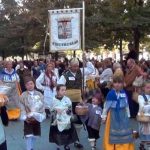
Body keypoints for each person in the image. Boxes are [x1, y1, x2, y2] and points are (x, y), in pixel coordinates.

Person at [57, 55, 95, 148]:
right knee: (67, 121)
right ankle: (67, 142)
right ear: (70, 66)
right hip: (68, 102)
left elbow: (91, 69)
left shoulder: (81, 71)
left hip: (78, 100)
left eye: (77, 66)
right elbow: (59, 86)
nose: (76, 68)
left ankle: (76, 140)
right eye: (74, 66)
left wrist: (86, 60)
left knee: (78, 122)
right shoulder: (65, 75)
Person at [102, 70, 135, 150]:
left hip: (123, 115)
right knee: (112, 133)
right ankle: (112, 147)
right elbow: (106, 106)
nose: (117, 84)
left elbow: (126, 105)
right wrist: (104, 116)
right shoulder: (111, 94)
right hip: (112, 115)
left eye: (119, 82)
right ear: (113, 83)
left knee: (124, 132)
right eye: (115, 82)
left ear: (122, 83)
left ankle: (124, 147)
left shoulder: (124, 92)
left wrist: (128, 115)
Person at [19, 76, 46, 150]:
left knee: (35, 135)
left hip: (36, 118)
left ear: (34, 84)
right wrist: (25, 116)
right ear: (25, 86)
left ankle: (32, 147)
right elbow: (22, 106)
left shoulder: (39, 94)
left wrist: (38, 114)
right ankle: (29, 148)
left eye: (31, 84)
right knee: (28, 135)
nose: (30, 86)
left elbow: (42, 105)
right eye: (27, 84)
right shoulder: (23, 95)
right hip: (28, 118)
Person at [49, 84, 78, 150]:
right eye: (62, 90)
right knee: (57, 133)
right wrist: (56, 111)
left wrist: (66, 110)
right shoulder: (53, 100)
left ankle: (66, 144)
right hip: (57, 120)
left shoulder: (67, 99)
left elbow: (70, 109)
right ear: (57, 91)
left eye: (65, 90)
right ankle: (58, 146)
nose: (64, 91)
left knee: (66, 132)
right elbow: (51, 110)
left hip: (66, 119)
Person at [137, 80, 150, 150]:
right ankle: (147, 146)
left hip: (149, 118)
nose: (149, 89)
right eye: (148, 87)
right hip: (144, 118)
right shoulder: (141, 97)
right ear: (143, 88)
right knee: (145, 132)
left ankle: (142, 145)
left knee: (147, 133)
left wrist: (147, 105)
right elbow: (142, 107)